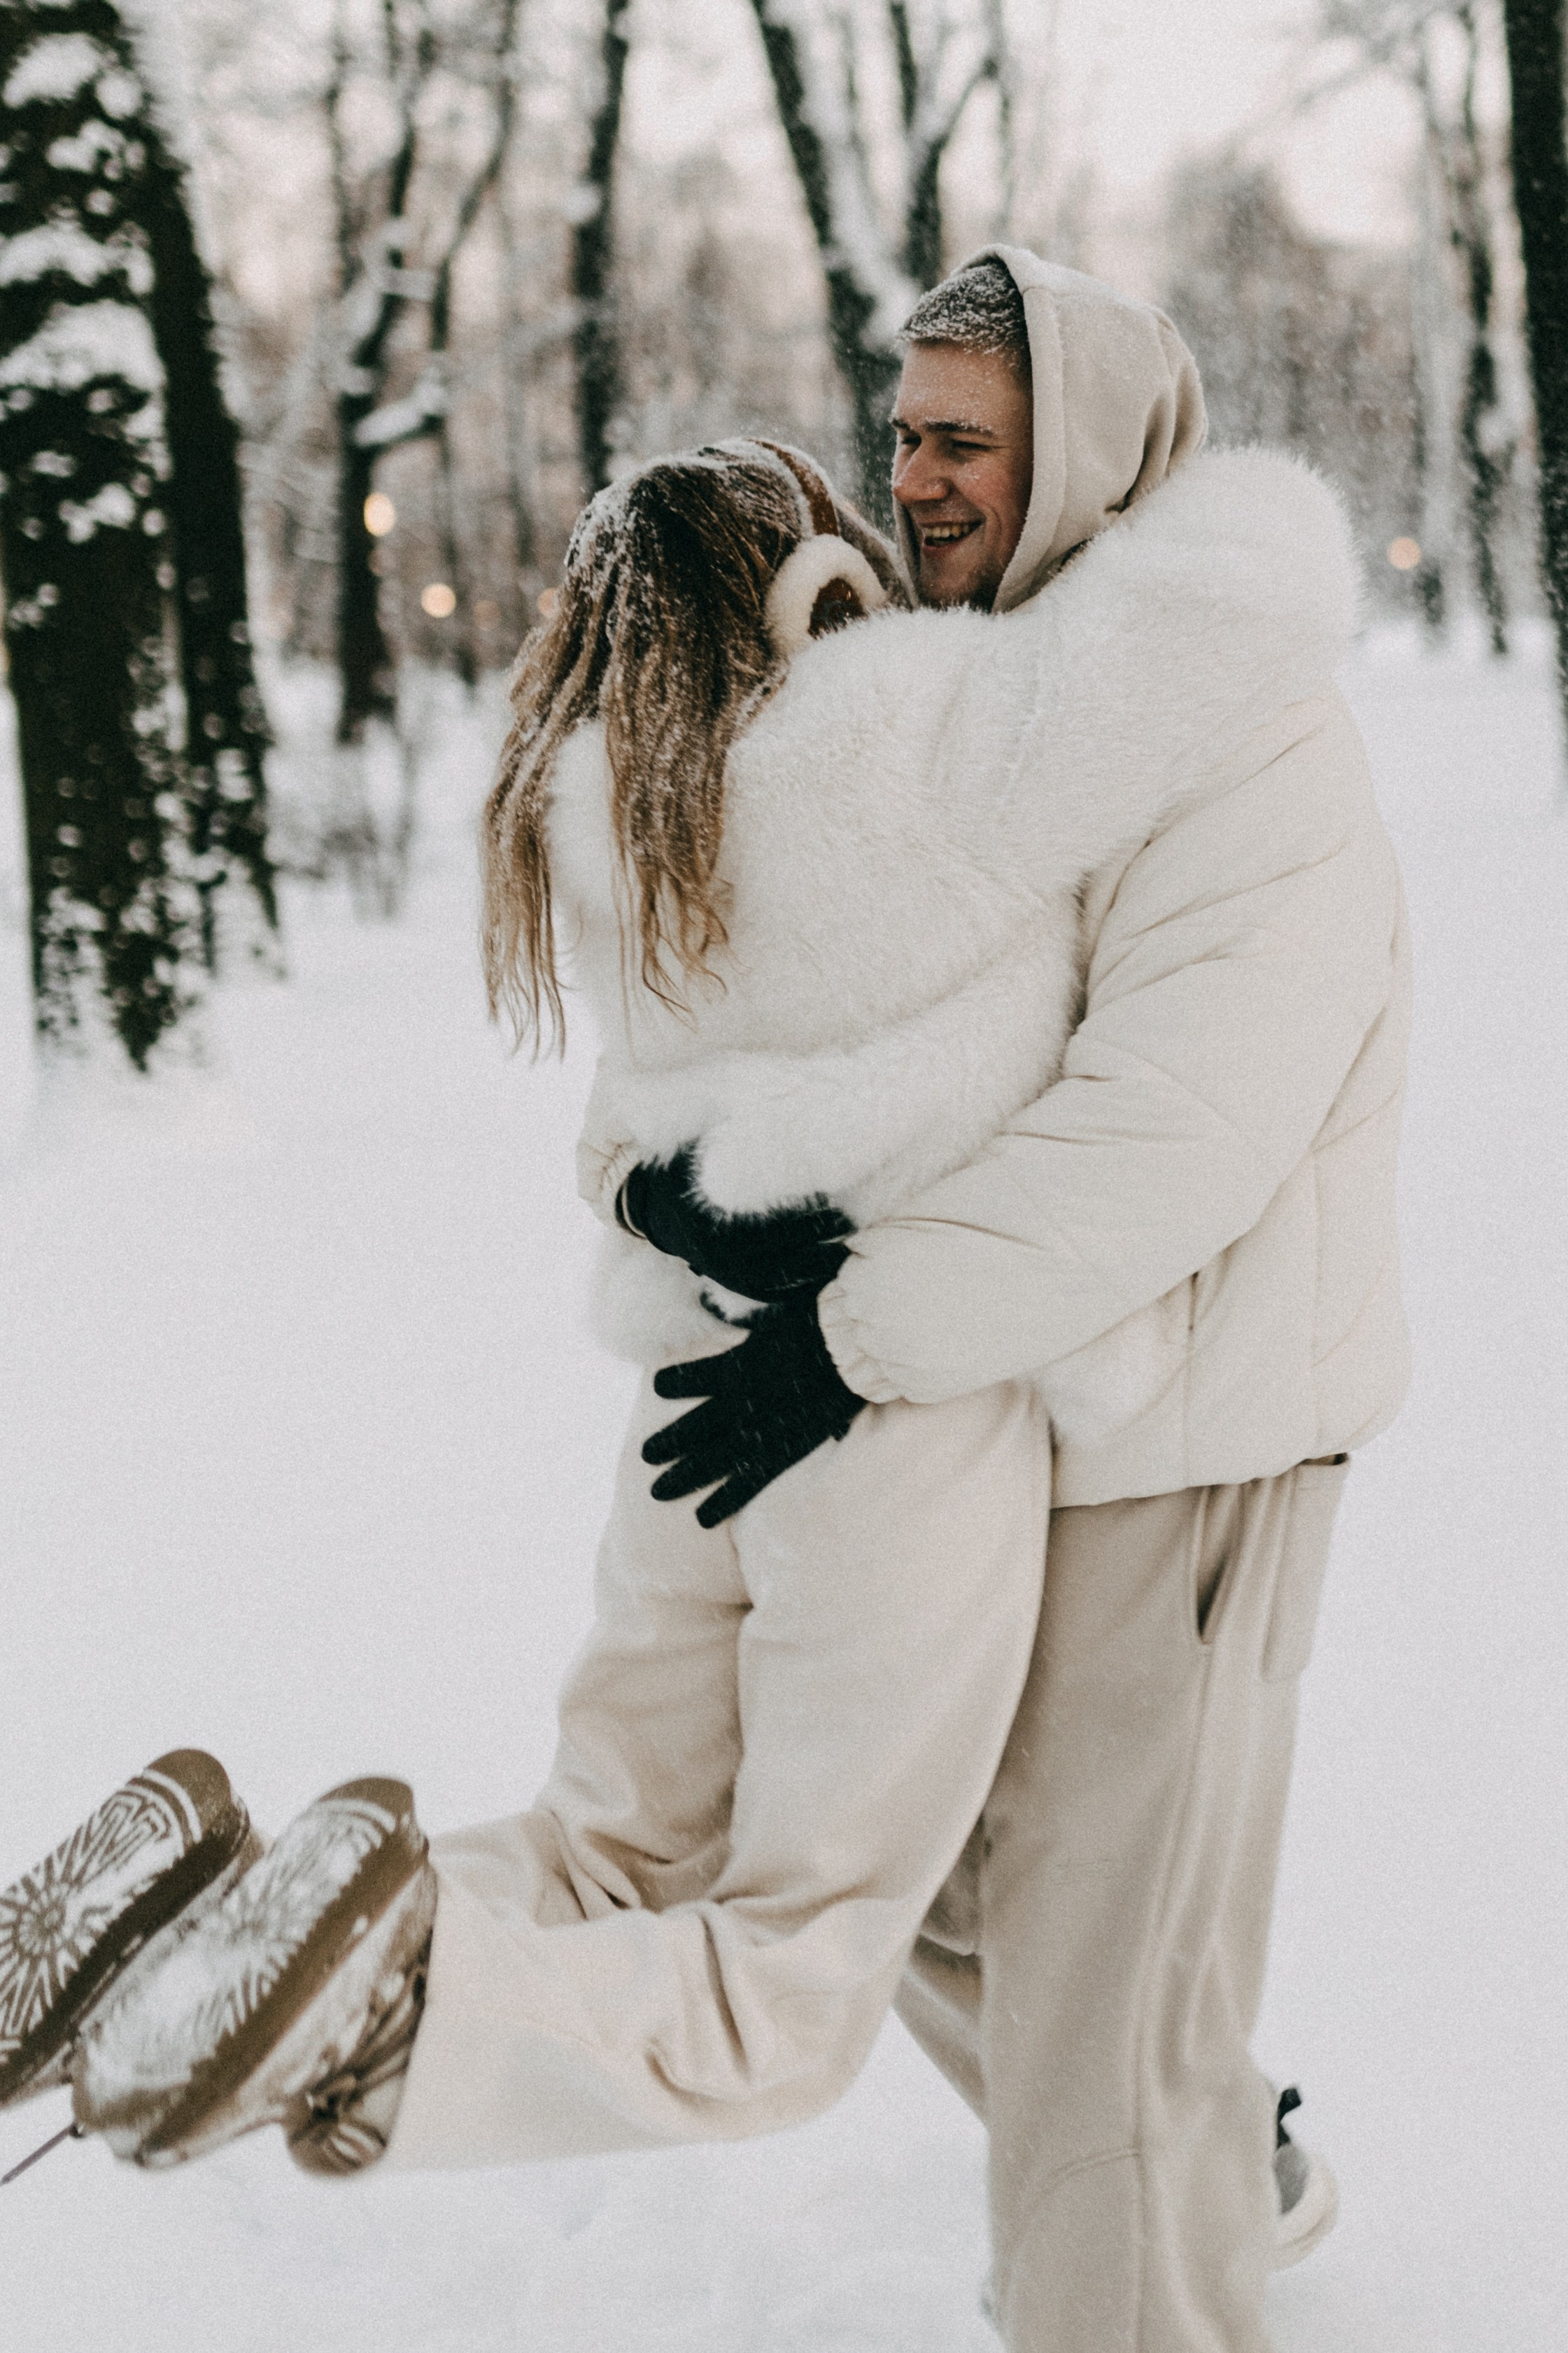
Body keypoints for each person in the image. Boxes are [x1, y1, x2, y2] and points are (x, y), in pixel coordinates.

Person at [0, 253, 1408, 2353]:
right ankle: (325, 1971)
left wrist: (817, 1295)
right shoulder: (973, 697)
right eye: (906, 431)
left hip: (1172, 1434)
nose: (916, 475)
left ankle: (1182, 2190)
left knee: (1079, 2001)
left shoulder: (1234, 732)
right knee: (935, 1917)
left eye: (963, 439)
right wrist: (730, 1214)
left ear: (1083, 449)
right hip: (932, 1393)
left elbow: (1169, 1127)